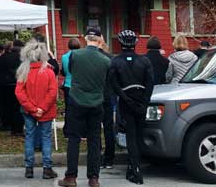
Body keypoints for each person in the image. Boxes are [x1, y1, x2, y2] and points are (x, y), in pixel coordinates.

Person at [58, 27, 111, 187]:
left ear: (85, 38)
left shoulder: (75, 55)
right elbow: (106, 81)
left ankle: (71, 177)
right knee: (94, 140)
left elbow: (72, 71)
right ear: (100, 40)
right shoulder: (106, 60)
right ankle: (93, 178)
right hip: (96, 102)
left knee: (74, 139)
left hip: (76, 100)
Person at [109, 30, 154, 185]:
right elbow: (150, 84)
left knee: (131, 136)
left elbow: (114, 84)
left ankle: (134, 169)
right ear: (135, 43)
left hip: (126, 102)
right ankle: (135, 167)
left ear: (120, 43)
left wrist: (126, 99)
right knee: (139, 136)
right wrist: (145, 102)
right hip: (141, 101)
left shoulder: (115, 61)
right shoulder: (145, 61)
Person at [15, 40, 58, 180]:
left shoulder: (23, 72)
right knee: (46, 138)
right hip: (45, 111)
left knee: (29, 137)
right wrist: (41, 108)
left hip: (29, 111)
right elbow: (52, 92)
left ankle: (29, 168)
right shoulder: (49, 72)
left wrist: (32, 109)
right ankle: (47, 168)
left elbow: (19, 93)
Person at [97, 38, 116, 169]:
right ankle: (109, 158)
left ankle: (96, 156)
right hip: (108, 95)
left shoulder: (94, 59)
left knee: (95, 128)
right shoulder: (111, 59)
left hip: (96, 96)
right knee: (109, 128)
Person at [0, 40, 24, 135]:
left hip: (4, 85)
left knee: (8, 106)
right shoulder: (19, 57)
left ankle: (9, 126)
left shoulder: (2, 57)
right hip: (16, 83)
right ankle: (18, 129)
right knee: (18, 107)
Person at [59, 37, 82, 134]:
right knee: (80, 108)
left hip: (68, 85)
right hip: (80, 85)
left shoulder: (64, 57)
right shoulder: (82, 56)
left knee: (68, 108)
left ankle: (67, 130)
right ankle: (80, 129)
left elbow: (63, 72)